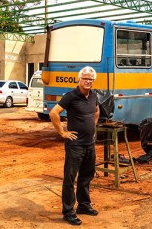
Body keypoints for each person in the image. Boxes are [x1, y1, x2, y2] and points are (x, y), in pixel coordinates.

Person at [49, 66, 100, 226]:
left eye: (91, 79)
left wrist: (93, 126)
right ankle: (68, 212)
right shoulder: (71, 96)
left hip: (89, 144)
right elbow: (53, 113)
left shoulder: (93, 96)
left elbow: (97, 111)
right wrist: (62, 133)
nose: (88, 81)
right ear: (79, 79)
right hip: (75, 145)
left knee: (87, 176)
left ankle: (84, 206)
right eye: (85, 78)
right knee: (70, 179)